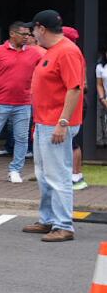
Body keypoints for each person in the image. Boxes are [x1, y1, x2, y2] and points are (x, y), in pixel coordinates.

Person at [23, 10, 85, 243]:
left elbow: (75, 88)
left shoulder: (67, 51)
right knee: (44, 174)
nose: (32, 35)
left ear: (41, 28)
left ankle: (63, 225)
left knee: (58, 175)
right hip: (45, 122)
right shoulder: (55, 51)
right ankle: (48, 219)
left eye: (33, 30)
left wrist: (63, 122)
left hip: (56, 123)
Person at [0, 22, 41, 184]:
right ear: (12, 34)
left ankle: (15, 170)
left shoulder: (35, 53)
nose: (27, 37)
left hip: (24, 103)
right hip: (1, 102)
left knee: (21, 138)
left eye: (28, 34)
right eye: (23, 34)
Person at [63, 26, 88, 191]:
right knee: (73, 141)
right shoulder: (76, 53)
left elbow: (79, 86)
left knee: (71, 141)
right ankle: (75, 175)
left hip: (74, 103)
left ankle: (75, 176)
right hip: (78, 102)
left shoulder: (70, 54)